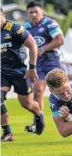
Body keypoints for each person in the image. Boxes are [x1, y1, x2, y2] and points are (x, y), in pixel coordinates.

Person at [1, 8, 44, 141]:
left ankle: (39, 116)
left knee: (27, 104)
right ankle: (7, 132)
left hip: (20, 72)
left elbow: (33, 46)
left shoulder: (15, 28)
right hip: (2, 72)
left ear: (2, 15)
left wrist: (32, 67)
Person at [24, 1, 65, 133]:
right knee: (37, 90)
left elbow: (60, 40)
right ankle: (38, 122)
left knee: (61, 91)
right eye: (31, 12)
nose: (34, 14)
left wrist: (42, 49)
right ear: (28, 13)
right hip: (38, 64)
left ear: (42, 12)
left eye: (36, 11)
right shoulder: (26, 27)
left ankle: (69, 116)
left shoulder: (50, 23)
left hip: (54, 62)